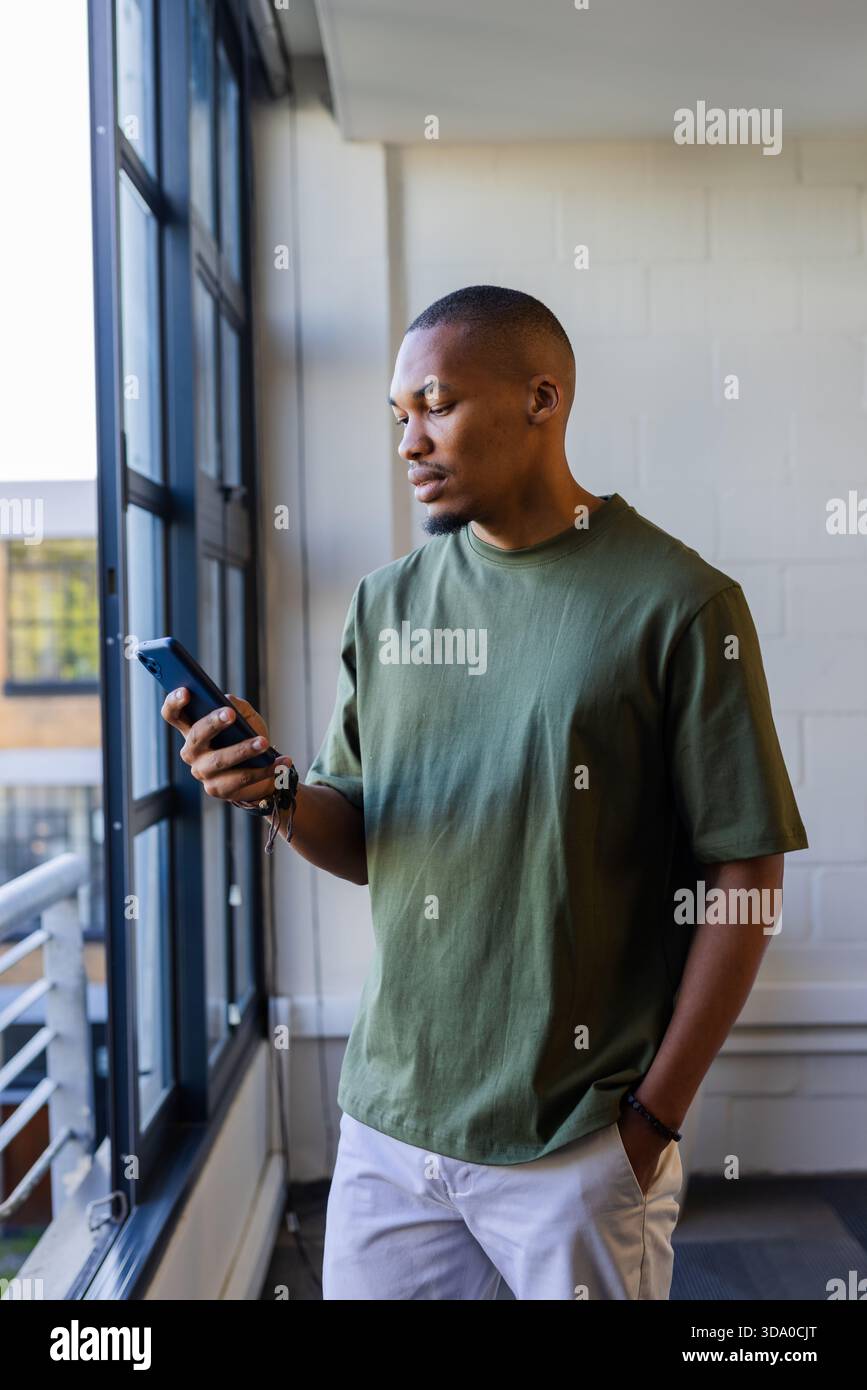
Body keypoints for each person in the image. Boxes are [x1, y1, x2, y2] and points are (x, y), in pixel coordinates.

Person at [162, 285, 809, 1300]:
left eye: (437, 404)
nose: (410, 439)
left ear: (542, 400)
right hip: (388, 1126)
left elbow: (747, 869)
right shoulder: (389, 602)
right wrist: (276, 788)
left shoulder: (681, 606)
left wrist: (650, 1122)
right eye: (399, 416)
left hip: (577, 1143)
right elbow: (367, 830)